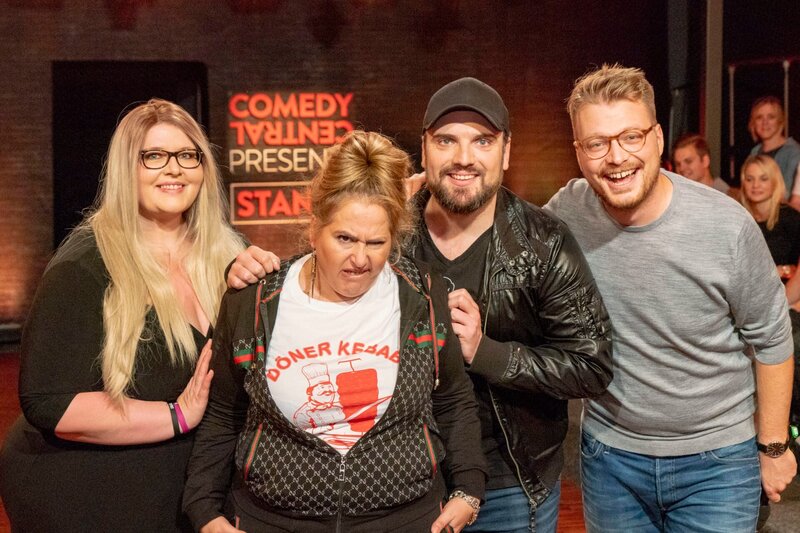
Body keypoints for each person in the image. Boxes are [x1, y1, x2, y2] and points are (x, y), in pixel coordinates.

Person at [227, 78, 614, 533]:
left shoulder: (543, 242)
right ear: (425, 150)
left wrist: (486, 351)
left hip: (511, 479)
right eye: (447, 140)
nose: (464, 158)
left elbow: (591, 365)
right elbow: (320, 266)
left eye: (482, 141)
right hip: (402, 487)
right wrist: (250, 271)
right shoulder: (390, 232)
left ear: (505, 153)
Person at [183, 130, 486, 533]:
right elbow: (224, 411)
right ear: (314, 229)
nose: (360, 259)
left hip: (404, 520)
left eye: (376, 242)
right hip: (274, 521)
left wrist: (468, 490)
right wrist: (205, 510)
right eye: (344, 238)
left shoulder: (424, 296)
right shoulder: (254, 301)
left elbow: (453, 400)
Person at [545, 64, 796, 532]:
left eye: (631, 137)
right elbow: (500, 236)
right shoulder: (568, 212)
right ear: (578, 152)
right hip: (610, 460)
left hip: (718, 464)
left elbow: (773, 340)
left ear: (658, 138)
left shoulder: (726, 226)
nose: (615, 157)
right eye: (597, 143)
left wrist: (774, 446)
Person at [0, 99, 245, 531]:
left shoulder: (230, 253)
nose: (174, 169)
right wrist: (175, 416)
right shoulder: (84, 265)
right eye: (154, 156)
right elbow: (48, 403)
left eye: (188, 156)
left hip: (187, 485)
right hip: (85, 491)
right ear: (125, 169)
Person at [740, 154, 800, 431]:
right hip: (748, 308)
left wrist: (786, 300)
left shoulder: (790, 218)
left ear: (775, 181)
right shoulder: (740, 219)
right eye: (750, 178)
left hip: (788, 305)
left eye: (763, 178)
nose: (756, 185)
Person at [748, 96, 800, 209]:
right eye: (759, 117)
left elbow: (788, 197)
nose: (764, 122)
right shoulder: (755, 152)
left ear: (780, 120)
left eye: (771, 117)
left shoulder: (794, 153)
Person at [671, 132, 734, 196]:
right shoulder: (677, 197)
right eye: (678, 164)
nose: (681, 168)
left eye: (688, 161)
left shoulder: (727, 197)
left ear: (705, 161)